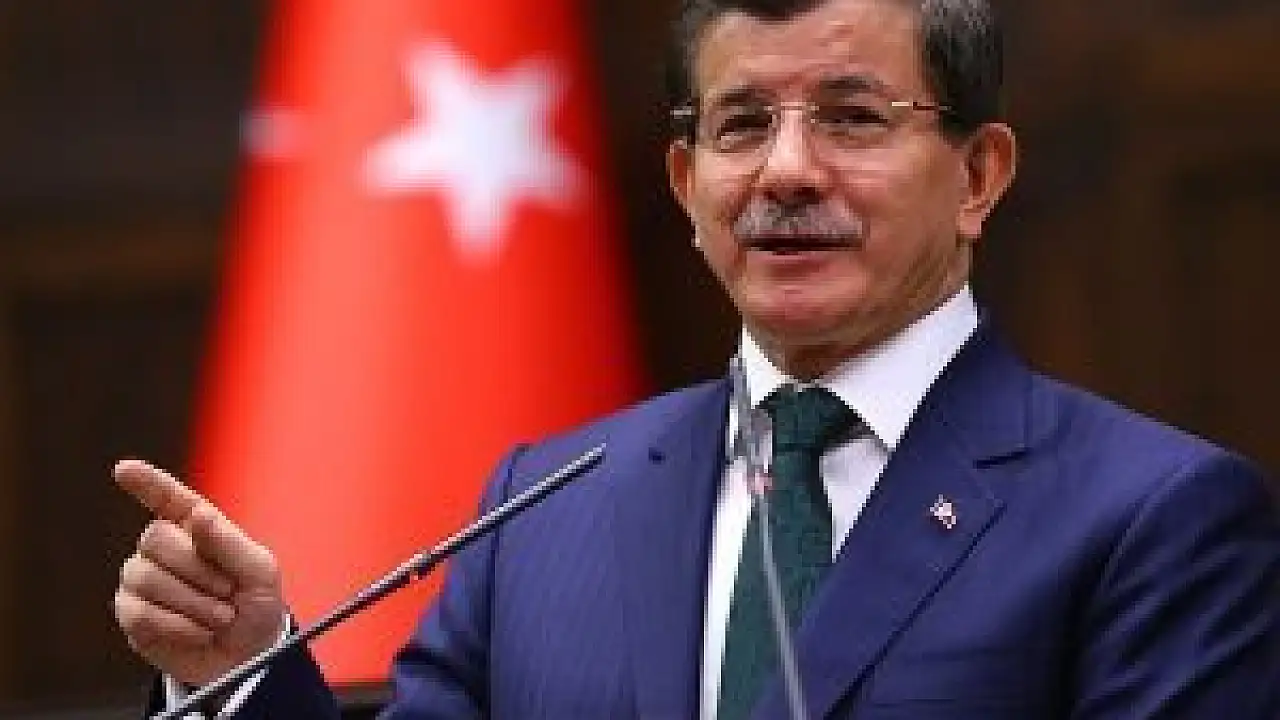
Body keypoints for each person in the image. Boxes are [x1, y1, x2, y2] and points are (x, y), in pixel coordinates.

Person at [113, 0, 1280, 717]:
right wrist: (245, 668)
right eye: (739, 125)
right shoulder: (543, 506)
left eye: (850, 117)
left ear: (977, 177)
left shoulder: (1154, 518)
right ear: (685, 185)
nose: (785, 172)